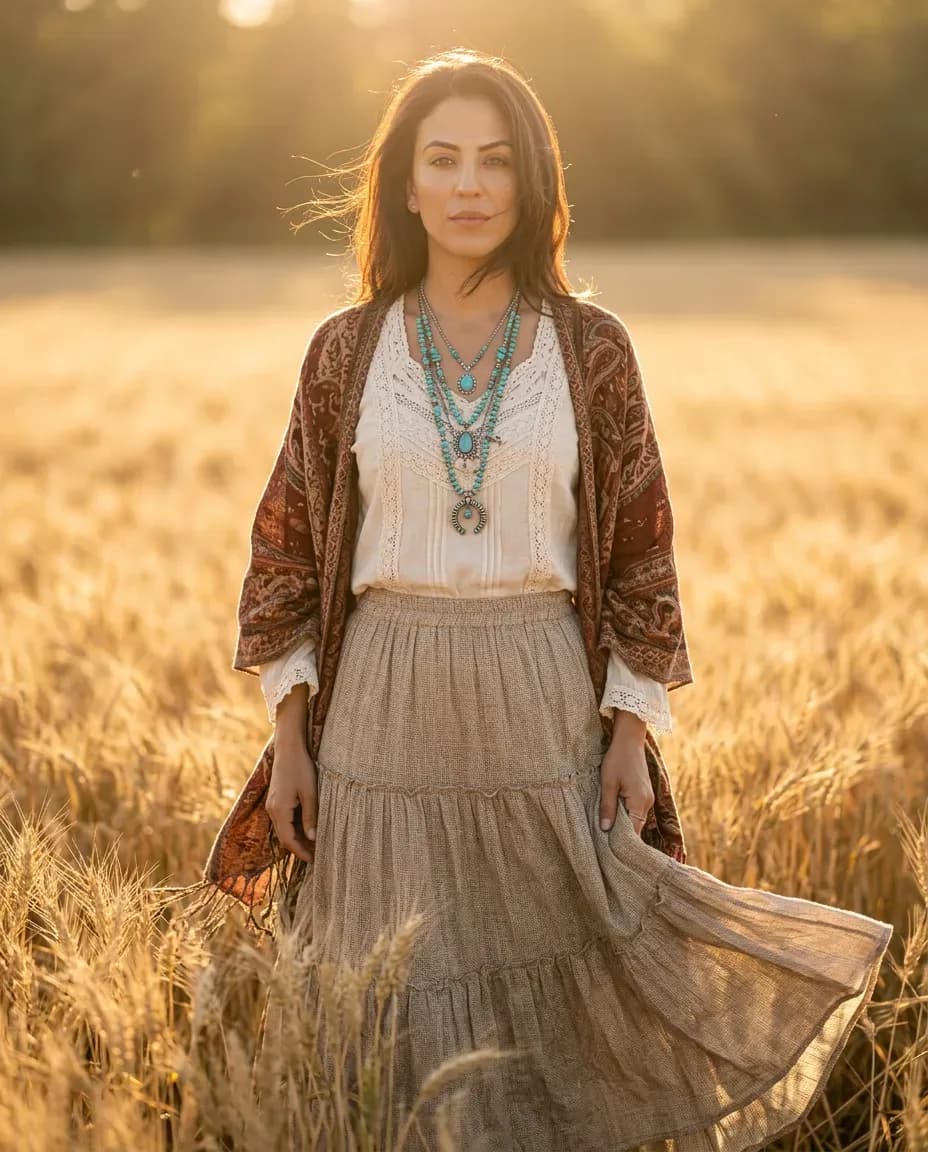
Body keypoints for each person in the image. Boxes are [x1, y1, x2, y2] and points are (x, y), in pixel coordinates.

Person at [203, 48, 893, 1152]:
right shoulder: (343, 350)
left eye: (495, 161)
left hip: (542, 705)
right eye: (444, 160)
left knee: (559, 1009)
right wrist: (291, 736)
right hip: (379, 715)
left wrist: (627, 728)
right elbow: (284, 548)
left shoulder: (591, 348)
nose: (470, 186)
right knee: (392, 1006)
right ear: (406, 184)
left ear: (531, 184)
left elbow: (638, 551)